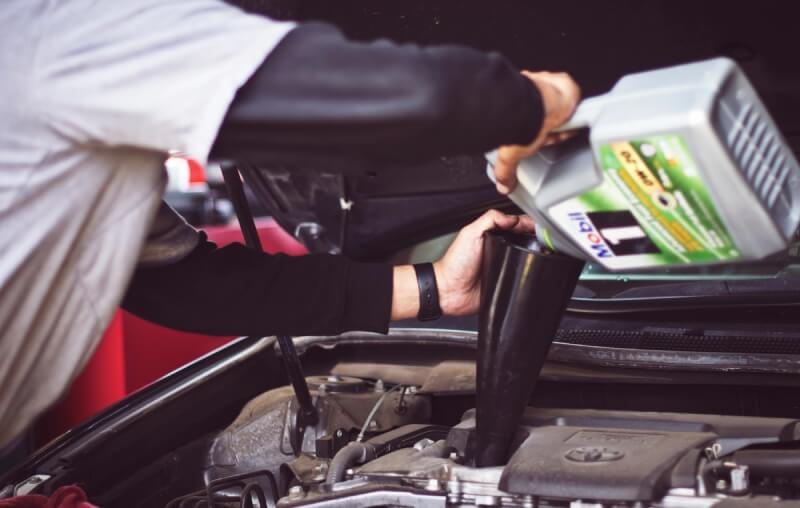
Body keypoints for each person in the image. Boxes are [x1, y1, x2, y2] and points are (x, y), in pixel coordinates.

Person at [0, 0, 579, 449]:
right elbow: (397, 95)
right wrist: (539, 99)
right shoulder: (58, 29)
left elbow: (177, 284)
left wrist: (434, 288)